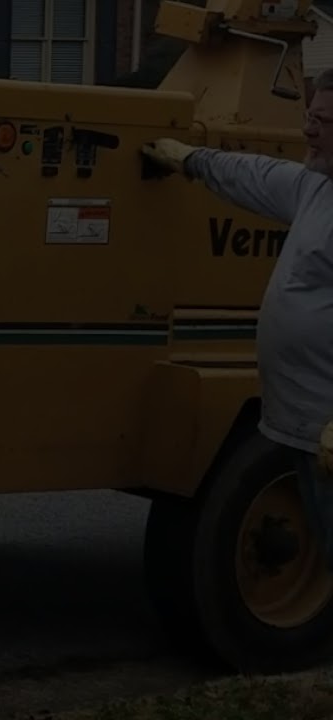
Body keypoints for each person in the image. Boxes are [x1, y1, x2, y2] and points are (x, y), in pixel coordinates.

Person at [143, 67, 333, 566]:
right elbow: (251, 174)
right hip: (302, 428)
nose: (309, 130)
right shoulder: (315, 187)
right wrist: (190, 159)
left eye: (325, 121)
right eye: (310, 116)